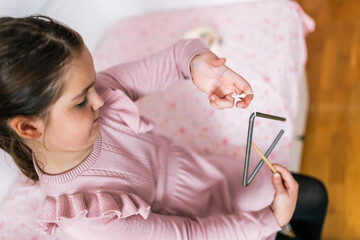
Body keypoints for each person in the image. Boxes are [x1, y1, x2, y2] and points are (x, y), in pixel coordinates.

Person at [0, 15, 325, 240]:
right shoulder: (89, 220)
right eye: (81, 100)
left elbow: (174, 59)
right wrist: (271, 219)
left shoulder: (101, 94)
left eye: (92, 85)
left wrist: (198, 64)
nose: (99, 99)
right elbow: (191, 234)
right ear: (29, 127)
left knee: (313, 195)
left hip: (213, 177)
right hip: (200, 230)